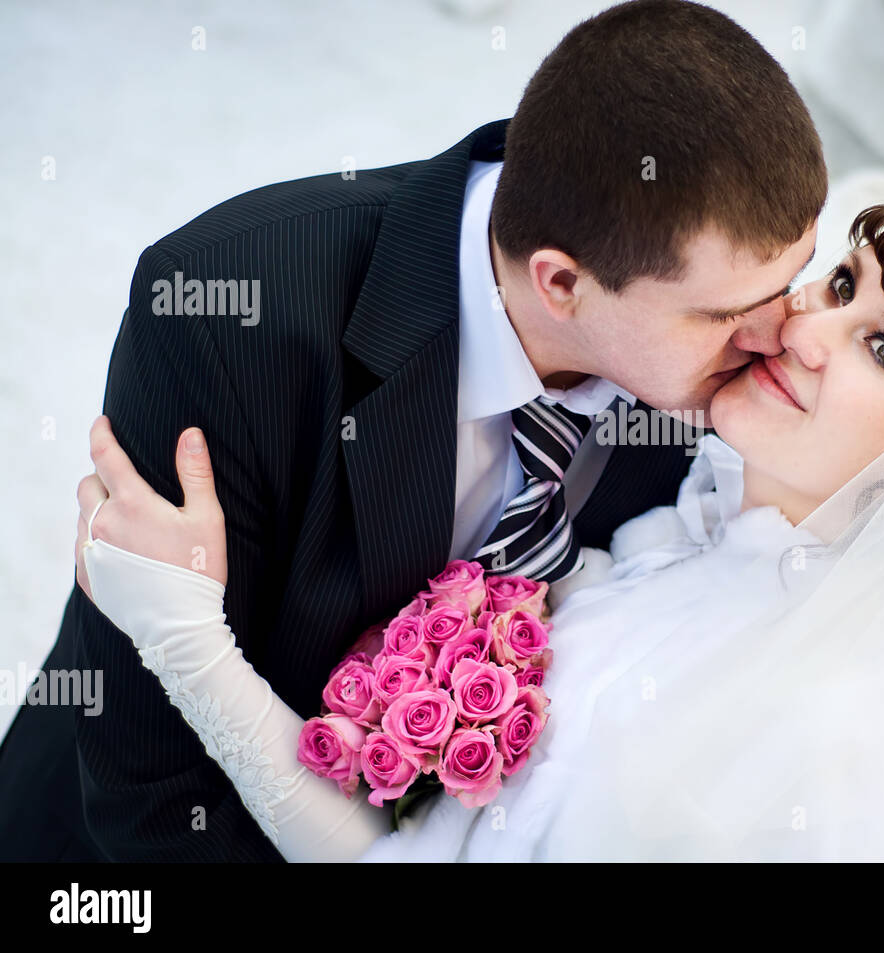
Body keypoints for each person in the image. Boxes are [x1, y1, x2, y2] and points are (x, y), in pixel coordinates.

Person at [72, 199, 884, 861]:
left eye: (882, 351)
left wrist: (186, 638)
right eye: (844, 281)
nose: (808, 327)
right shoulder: (693, 523)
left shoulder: (828, 734)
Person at [0, 1, 827, 861]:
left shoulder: (746, 389)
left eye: (795, 278)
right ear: (561, 283)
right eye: (730, 313)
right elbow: (150, 768)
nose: (784, 335)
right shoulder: (231, 315)